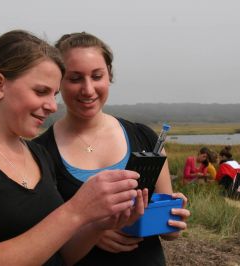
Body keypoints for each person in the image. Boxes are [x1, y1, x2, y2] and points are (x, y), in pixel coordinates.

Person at [0, 30, 148, 266]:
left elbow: (62, 254)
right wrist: (76, 210)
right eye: (41, 91)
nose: (52, 106)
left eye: (54, 94)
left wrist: (98, 222)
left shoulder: (39, 155)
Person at [34, 32, 190, 266]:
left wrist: (172, 220)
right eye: (75, 78)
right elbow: (40, 237)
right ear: (57, 82)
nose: (88, 89)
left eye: (97, 76)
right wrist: (91, 230)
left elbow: (169, 233)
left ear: (109, 76)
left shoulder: (145, 138)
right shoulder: (39, 152)